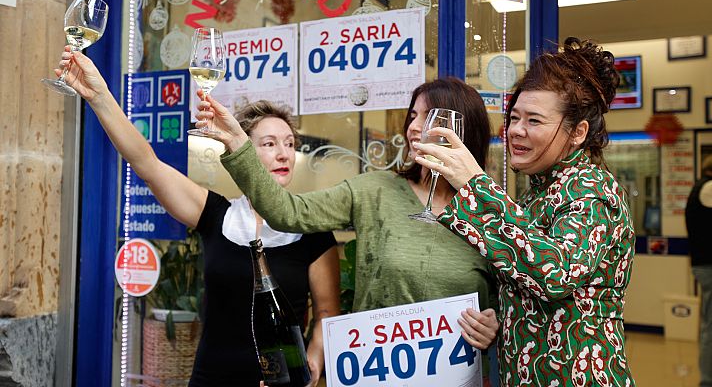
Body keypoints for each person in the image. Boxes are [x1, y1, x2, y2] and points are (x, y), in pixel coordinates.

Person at [55, 47, 340, 387]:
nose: (283, 153)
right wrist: (98, 95)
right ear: (242, 148)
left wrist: (315, 356)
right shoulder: (217, 214)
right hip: (211, 378)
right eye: (268, 144)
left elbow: (327, 312)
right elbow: (147, 164)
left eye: (289, 143)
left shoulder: (311, 230)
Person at [195, 78, 501, 351]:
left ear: (462, 130)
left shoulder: (490, 212)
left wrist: (494, 323)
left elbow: (514, 300)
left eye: (428, 116)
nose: (413, 127)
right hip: (378, 372)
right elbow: (287, 212)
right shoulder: (374, 190)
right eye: (412, 116)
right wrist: (238, 141)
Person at [414, 37, 636, 386]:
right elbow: (530, 284)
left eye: (534, 121)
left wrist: (476, 183)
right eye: (514, 117)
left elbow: (555, 275)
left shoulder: (592, 192)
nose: (516, 130)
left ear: (577, 132)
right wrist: (498, 320)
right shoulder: (540, 192)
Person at [685, 155, 712, 387]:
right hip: (708, 266)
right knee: (710, 326)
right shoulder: (708, 188)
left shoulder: (698, 188)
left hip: (702, 264)